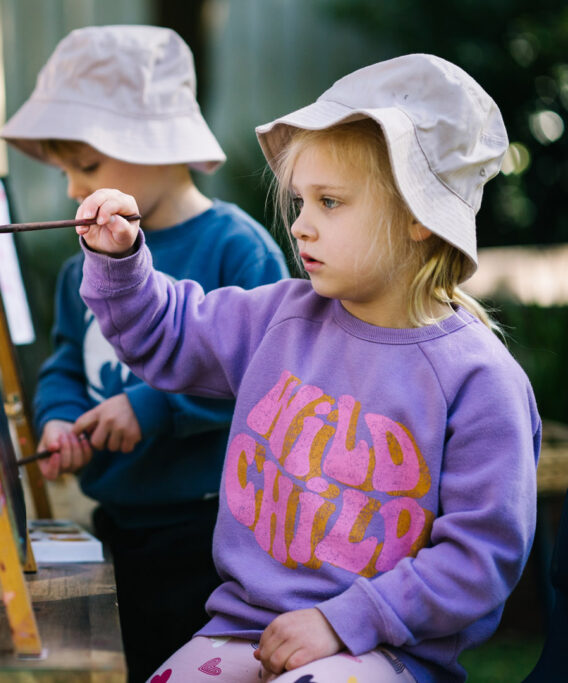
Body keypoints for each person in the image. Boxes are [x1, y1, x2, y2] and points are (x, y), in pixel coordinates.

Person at [70, 53, 539, 683]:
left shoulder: (480, 380)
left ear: (418, 218)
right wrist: (122, 263)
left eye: (330, 202)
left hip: (385, 650)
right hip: (242, 630)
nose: (301, 225)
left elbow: (481, 558)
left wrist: (344, 620)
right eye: (299, 201)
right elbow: (167, 336)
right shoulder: (282, 319)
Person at [0, 25, 289, 680]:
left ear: (160, 146)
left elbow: (273, 378)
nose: (74, 188)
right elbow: (68, 359)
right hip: (119, 521)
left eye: (89, 166)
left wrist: (152, 407)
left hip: (211, 530)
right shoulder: (95, 256)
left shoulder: (235, 248)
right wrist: (59, 417)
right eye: (66, 167)